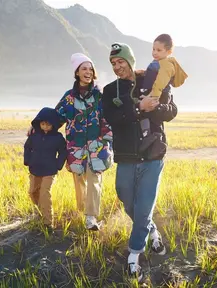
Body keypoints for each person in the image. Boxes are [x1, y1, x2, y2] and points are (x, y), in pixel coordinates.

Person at [102, 43, 178, 281]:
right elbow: (113, 118)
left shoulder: (152, 80)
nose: (117, 67)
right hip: (125, 156)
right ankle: (152, 230)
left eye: (120, 61)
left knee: (144, 205)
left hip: (153, 155)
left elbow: (171, 111)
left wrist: (154, 106)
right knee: (127, 200)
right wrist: (137, 107)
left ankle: (134, 255)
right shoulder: (109, 90)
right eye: (113, 64)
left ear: (130, 60)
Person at [54, 53, 113, 231]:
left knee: (95, 179)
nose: (88, 72)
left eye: (90, 68)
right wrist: (36, 127)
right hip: (76, 148)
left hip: (97, 146)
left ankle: (91, 217)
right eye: (84, 68)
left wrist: (107, 141)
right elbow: (56, 117)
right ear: (77, 73)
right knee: (79, 181)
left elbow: (109, 119)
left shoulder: (101, 95)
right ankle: (82, 211)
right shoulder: (69, 97)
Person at [24, 107, 67, 230]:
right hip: (35, 168)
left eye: (48, 124)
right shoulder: (34, 136)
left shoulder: (58, 138)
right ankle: (41, 212)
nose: (45, 126)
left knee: (44, 193)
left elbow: (63, 152)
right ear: (39, 123)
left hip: (50, 170)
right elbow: (27, 147)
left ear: (54, 124)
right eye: (42, 124)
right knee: (32, 192)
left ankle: (48, 223)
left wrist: (58, 165)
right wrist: (28, 161)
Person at [139, 34, 187, 144]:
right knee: (149, 119)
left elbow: (159, 83)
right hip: (155, 93)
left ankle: (151, 138)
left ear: (169, 51)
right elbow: (153, 75)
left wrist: (152, 98)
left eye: (159, 50)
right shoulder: (159, 63)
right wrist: (143, 73)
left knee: (153, 120)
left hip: (159, 95)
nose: (155, 52)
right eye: (153, 49)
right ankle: (148, 136)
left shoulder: (166, 65)